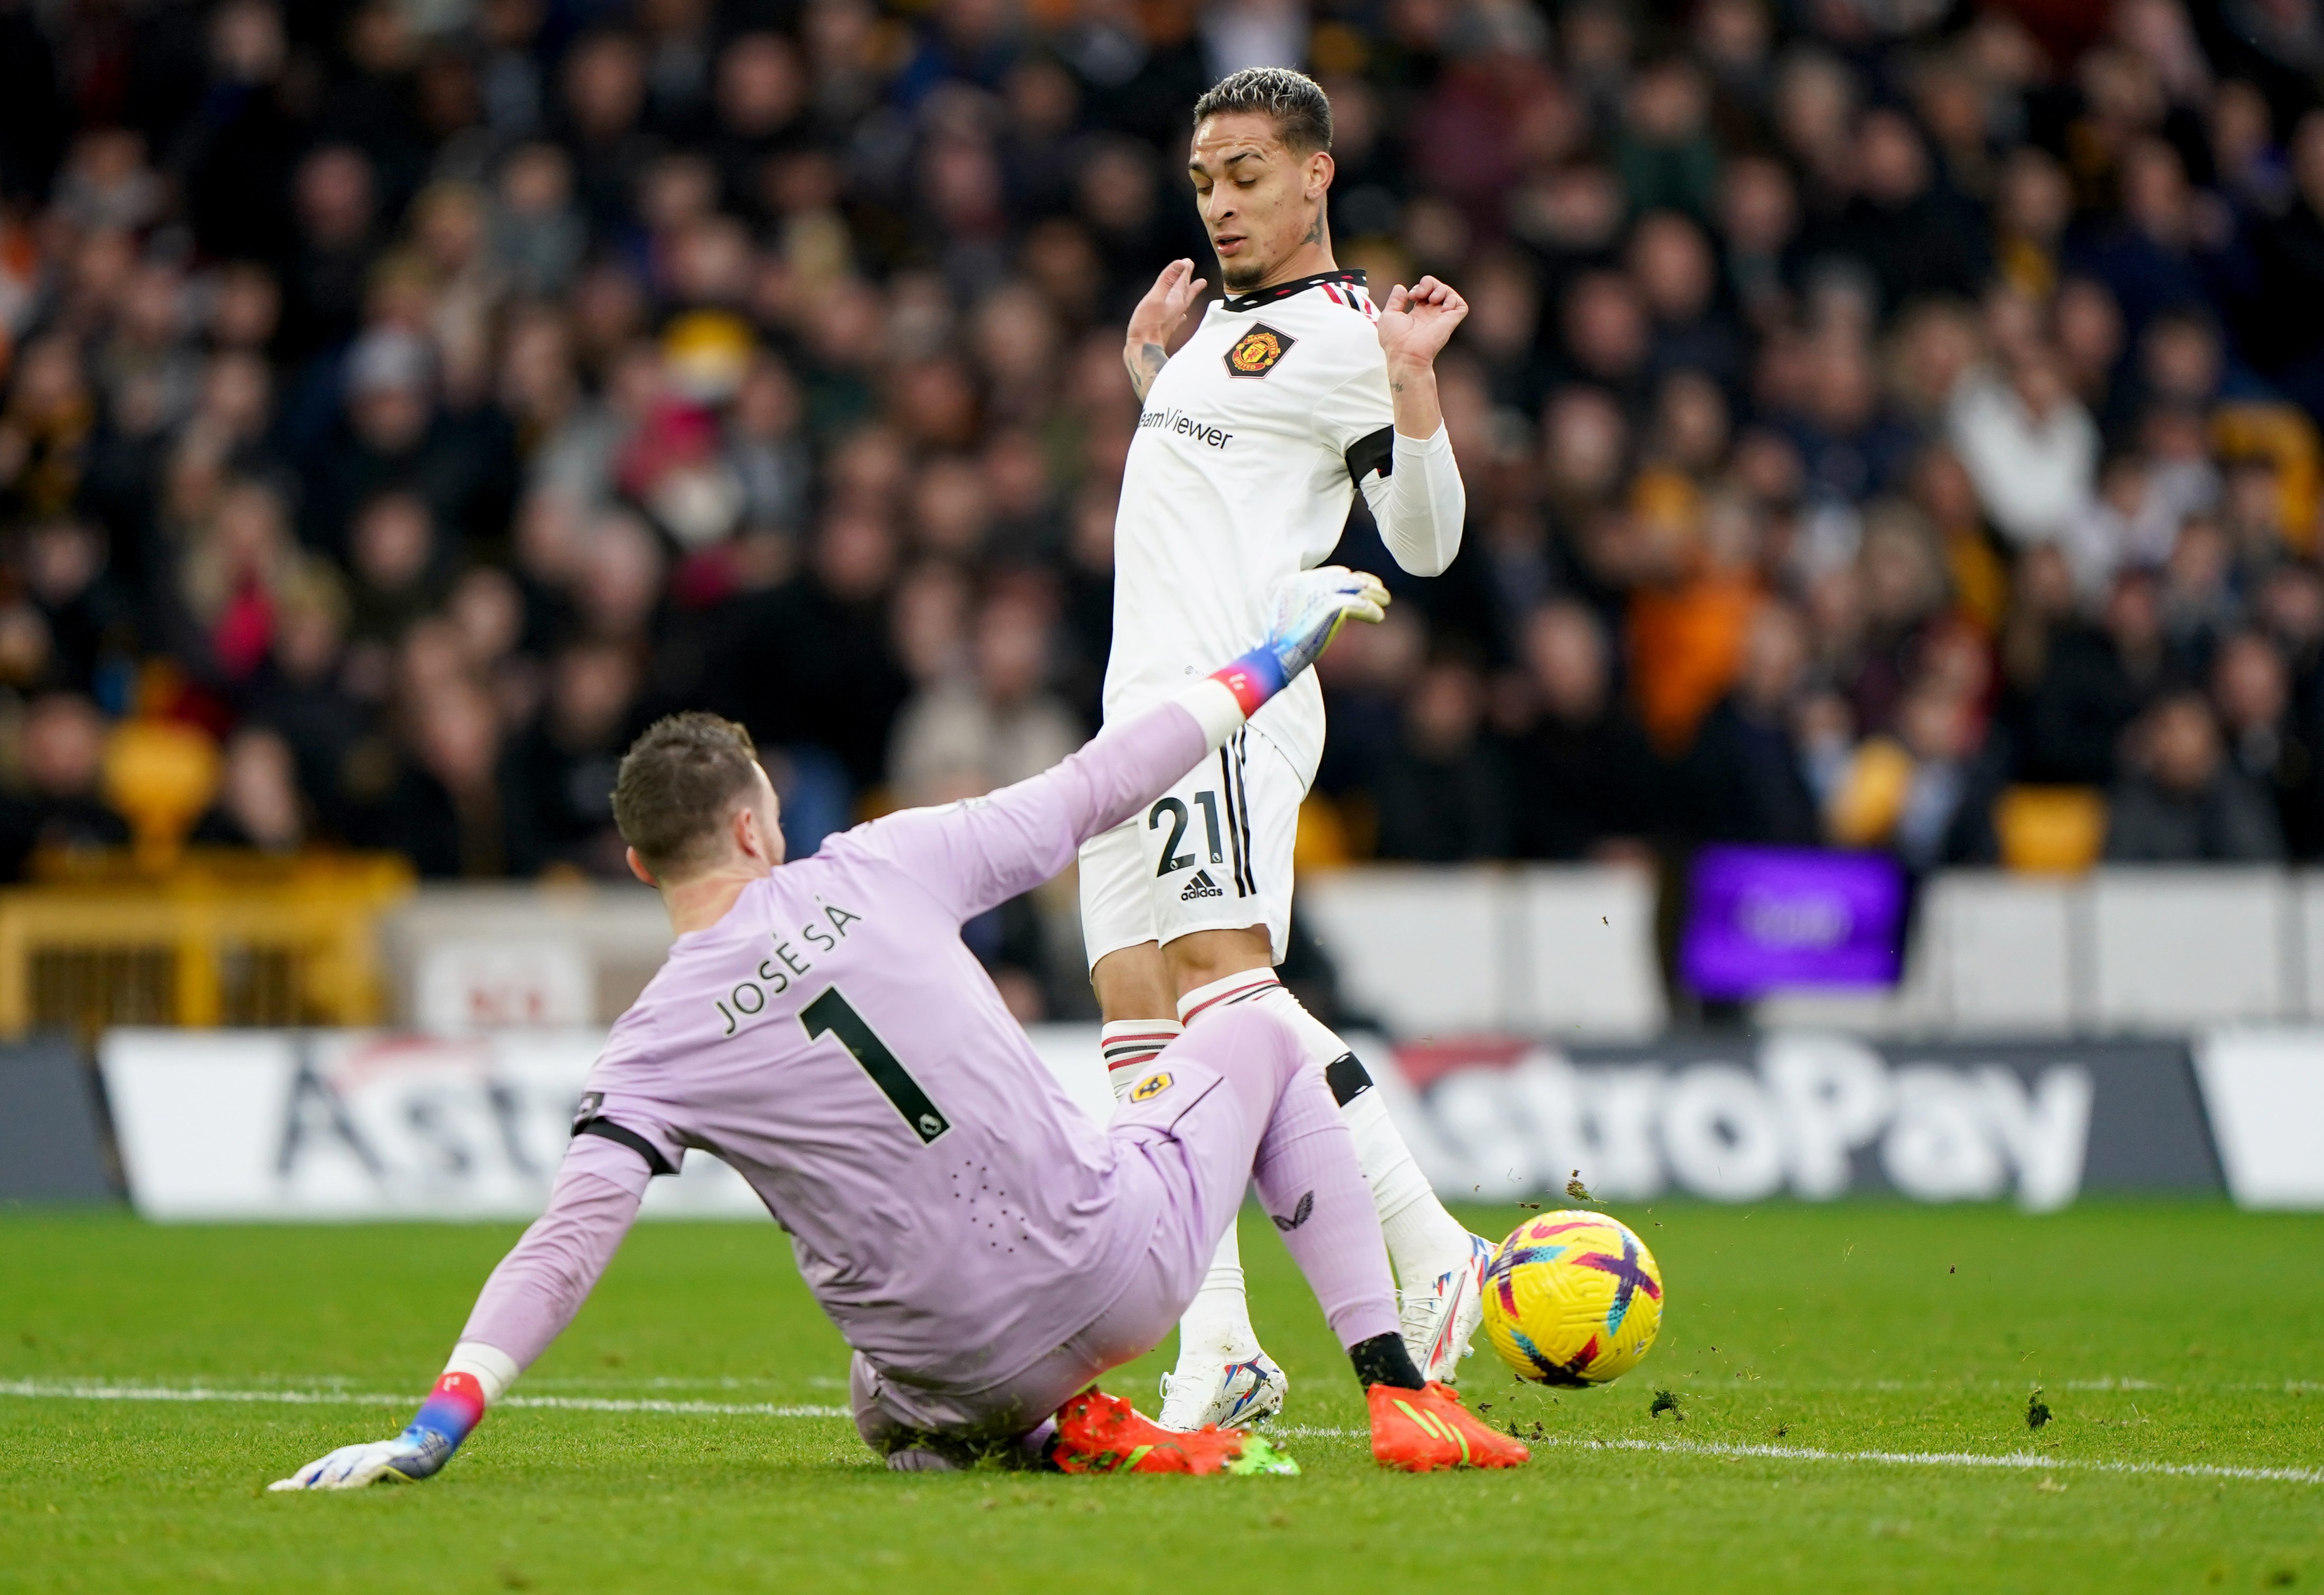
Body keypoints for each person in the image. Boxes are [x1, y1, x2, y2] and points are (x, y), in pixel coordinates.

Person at [270, 568, 1527, 1489]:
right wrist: (1265, 665)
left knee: (880, 1396)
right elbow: (1097, 783)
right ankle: (1396, 1388)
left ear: (641, 865)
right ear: (758, 828)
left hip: (955, 1371)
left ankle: (1043, 1428)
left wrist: (436, 1424)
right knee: (1251, 1036)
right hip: (1114, 1274)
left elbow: (564, 1246)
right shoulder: (880, 864)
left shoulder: (648, 1046)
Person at [1084, 67, 1488, 1430]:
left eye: (1246, 174)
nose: (1220, 205)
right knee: (1140, 1024)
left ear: (1318, 173)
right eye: (1203, 182)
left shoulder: (1344, 336)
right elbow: (1217, 481)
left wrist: (1415, 387)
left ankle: (1432, 1254)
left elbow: (1427, 546)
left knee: (1225, 996)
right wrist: (1151, 376)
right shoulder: (1207, 332)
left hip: (1226, 701)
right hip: (1135, 708)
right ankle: (1224, 1348)